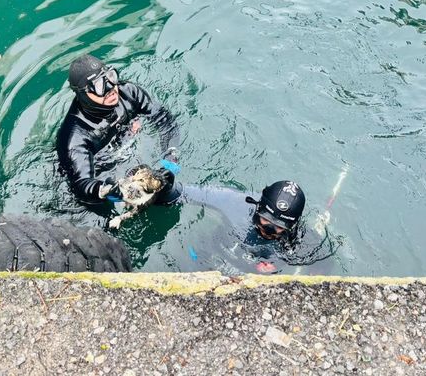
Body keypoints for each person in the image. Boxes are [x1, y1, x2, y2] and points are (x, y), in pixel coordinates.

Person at [56, 54, 181, 208]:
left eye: (110, 77)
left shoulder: (129, 93)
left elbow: (166, 122)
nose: (110, 88)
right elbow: (81, 184)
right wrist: (105, 190)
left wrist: (170, 162)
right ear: (82, 93)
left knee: (168, 190)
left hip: (128, 150)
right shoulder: (74, 136)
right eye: (99, 86)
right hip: (103, 168)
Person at [180, 180, 340, 274]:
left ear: (292, 225)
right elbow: (184, 193)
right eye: (266, 218)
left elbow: (324, 265)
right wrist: (168, 188)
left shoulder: (302, 240)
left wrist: (277, 265)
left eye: (279, 225)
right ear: (258, 207)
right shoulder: (235, 203)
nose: (269, 229)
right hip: (214, 253)